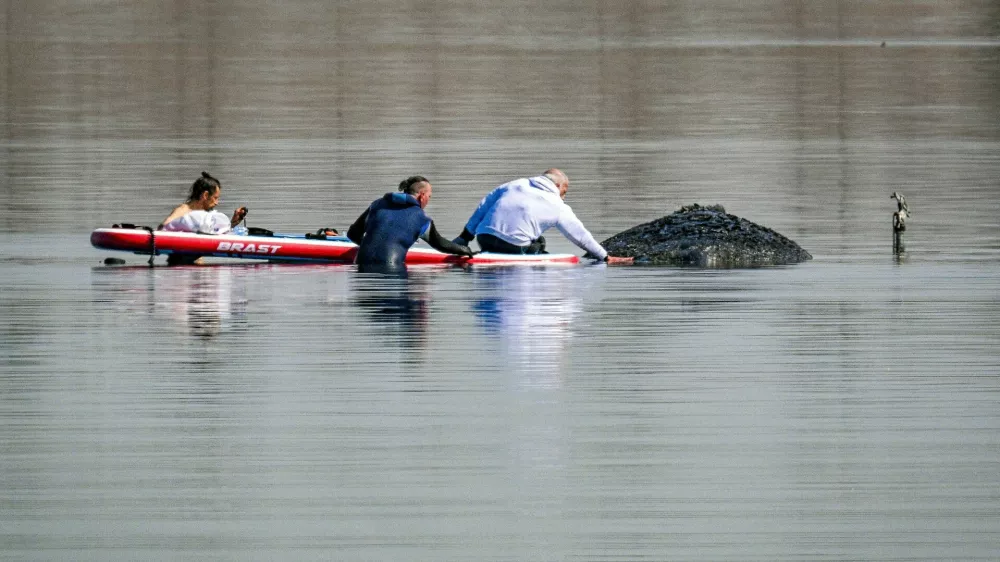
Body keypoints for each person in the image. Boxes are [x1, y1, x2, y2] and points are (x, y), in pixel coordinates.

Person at [452, 168, 633, 264]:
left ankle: (486, 254)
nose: (565, 195)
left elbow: (483, 206)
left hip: (484, 238)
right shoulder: (557, 205)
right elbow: (579, 235)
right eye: (565, 190)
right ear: (559, 186)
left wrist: (464, 237)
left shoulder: (514, 184)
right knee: (540, 243)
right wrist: (605, 257)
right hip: (513, 247)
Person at [346, 176, 475, 269]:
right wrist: (463, 249)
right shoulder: (422, 219)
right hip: (391, 272)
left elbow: (352, 234)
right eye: (429, 197)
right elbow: (440, 244)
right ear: (422, 195)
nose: (428, 200)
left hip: (360, 267)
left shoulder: (377, 205)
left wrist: (372, 244)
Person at [158, 171, 247, 234]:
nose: (217, 203)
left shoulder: (202, 215)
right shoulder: (183, 210)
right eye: (215, 198)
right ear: (205, 195)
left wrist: (233, 223)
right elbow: (162, 228)